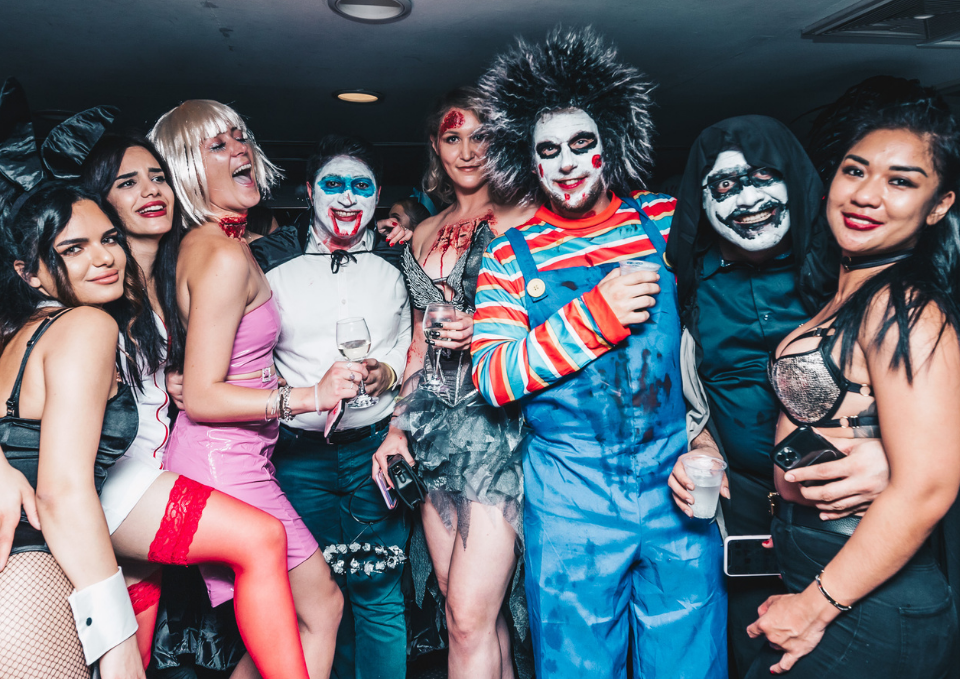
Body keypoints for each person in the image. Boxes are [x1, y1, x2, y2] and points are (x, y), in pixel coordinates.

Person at [472, 27, 726, 677]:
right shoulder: (508, 256)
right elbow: (493, 378)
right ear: (531, 163)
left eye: (581, 144)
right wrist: (594, 316)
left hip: (676, 486)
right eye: (548, 150)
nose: (566, 163)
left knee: (689, 664)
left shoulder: (666, 221)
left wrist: (711, 438)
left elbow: (728, 331)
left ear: (607, 144)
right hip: (570, 500)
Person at [81, 131, 338, 678]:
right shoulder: (93, 288)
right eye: (128, 183)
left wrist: (173, 382)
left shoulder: (164, 272)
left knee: (131, 660)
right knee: (262, 542)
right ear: (101, 202)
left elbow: (181, 376)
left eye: (157, 178)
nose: (151, 191)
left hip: (158, 471)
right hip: (117, 482)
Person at [662, 115, 894, 677]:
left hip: (855, 510)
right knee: (758, 654)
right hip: (744, 510)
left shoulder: (855, 269)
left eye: (765, 177)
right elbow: (676, 386)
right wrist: (700, 442)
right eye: (724, 185)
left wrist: (898, 458)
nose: (748, 199)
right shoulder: (687, 282)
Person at [745, 89, 960, 677]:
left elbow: (927, 486)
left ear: (938, 206)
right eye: (855, 171)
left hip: (863, 598)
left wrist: (812, 608)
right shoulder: (847, 294)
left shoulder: (903, 305)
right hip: (829, 568)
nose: (866, 195)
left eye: (901, 181)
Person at [149, 100, 353, 678]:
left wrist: (279, 383)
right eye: (217, 145)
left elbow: (228, 364)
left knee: (279, 629)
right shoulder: (219, 253)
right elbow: (204, 395)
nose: (240, 149)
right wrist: (305, 397)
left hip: (239, 458)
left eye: (240, 137)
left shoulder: (219, 243)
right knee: (321, 608)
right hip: (223, 464)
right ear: (187, 169)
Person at [371, 87, 535, 679]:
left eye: (480, 136)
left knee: (469, 615)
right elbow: (419, 340)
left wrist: (487, 326)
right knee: (461, 609)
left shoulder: (525, 214)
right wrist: (397, 430)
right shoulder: (424, 231)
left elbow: (557, 317)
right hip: (434, 429)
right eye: (452, 137)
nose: (467, 151)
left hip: (500, 427)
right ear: (435, 147)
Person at [249, 134, 412, 679]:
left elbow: (409, 344)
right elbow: (246, 347)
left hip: (375, 449)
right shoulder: (268, 262)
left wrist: (386, 371)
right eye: (333, 184)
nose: (347, 197)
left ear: (378, 195)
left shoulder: (398, 261)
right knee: (321, 595)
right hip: (298, 454)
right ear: (309, 190)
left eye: (361, 186)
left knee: (378, 589)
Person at [0, 183, 143, 679]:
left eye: (110, 239)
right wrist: (119, 638)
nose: (104, 258)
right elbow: (61, 493)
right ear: (30, 274)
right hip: (26, 575)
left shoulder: (13, 337)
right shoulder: (86, 325)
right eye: (73, 249)